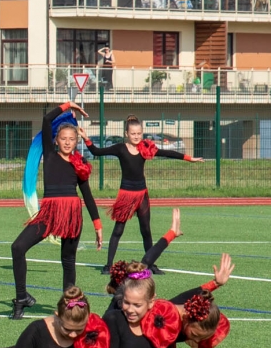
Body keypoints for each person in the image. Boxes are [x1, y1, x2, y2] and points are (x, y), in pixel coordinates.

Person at [11, 102, 102, 319]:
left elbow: (87, 195)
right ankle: (21, 297)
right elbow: (46, 121)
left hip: (72, 215)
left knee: (68, 262)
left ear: (76, 141)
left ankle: (68, 307)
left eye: (72, 139)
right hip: (50, 213)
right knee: (17, 247)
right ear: (56, 141)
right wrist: (68, 105)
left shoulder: (79, 164)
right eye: (64, 139)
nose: (68, 143)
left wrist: (97, 225)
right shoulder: (50, 155)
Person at [81, 116, 202, 274]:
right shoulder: (120, 148)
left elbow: (167, 152)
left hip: (142, 195)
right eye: (133, 133)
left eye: (139, 133)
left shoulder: (146, 148)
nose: (136, 136)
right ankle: (108, 265)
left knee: (146, 230)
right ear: (126, 133)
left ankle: (150, 264)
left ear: (142, 133)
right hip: (126, 195)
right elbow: (97, 151)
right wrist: (86, 139)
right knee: (118, 230)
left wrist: (188, 158)